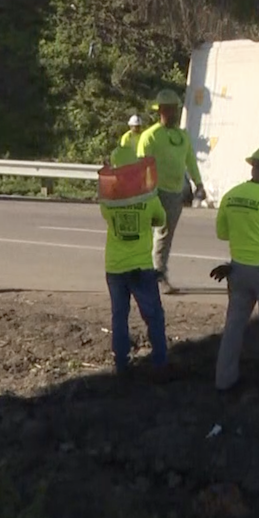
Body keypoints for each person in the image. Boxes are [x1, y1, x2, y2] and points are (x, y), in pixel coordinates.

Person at [210, 145, 259, 393]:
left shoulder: (231, 195)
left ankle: (224, 379)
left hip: (239, 270)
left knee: (234, 326)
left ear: (253, 167)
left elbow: (222, 233)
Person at [100, 145, 170, 379]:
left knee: (119, 316)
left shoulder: (108, 201)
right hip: (141, 267)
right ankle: (160, 361)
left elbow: (108, 221)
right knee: (153, 316)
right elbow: (161, 220)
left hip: (114, 267)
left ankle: (121, 364)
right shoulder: (148, 198)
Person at [136, 89, 205, 293]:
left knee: (165, 236)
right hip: (154, 192)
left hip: (175, 193)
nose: (174, 113)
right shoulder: (150, 136)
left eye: (176, 109)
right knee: (145, 235)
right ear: (162, 110)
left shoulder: (181, 136)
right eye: (170, 110)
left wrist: (198, 183)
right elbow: (142, 166)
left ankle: (159, 275)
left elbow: (190, 161)